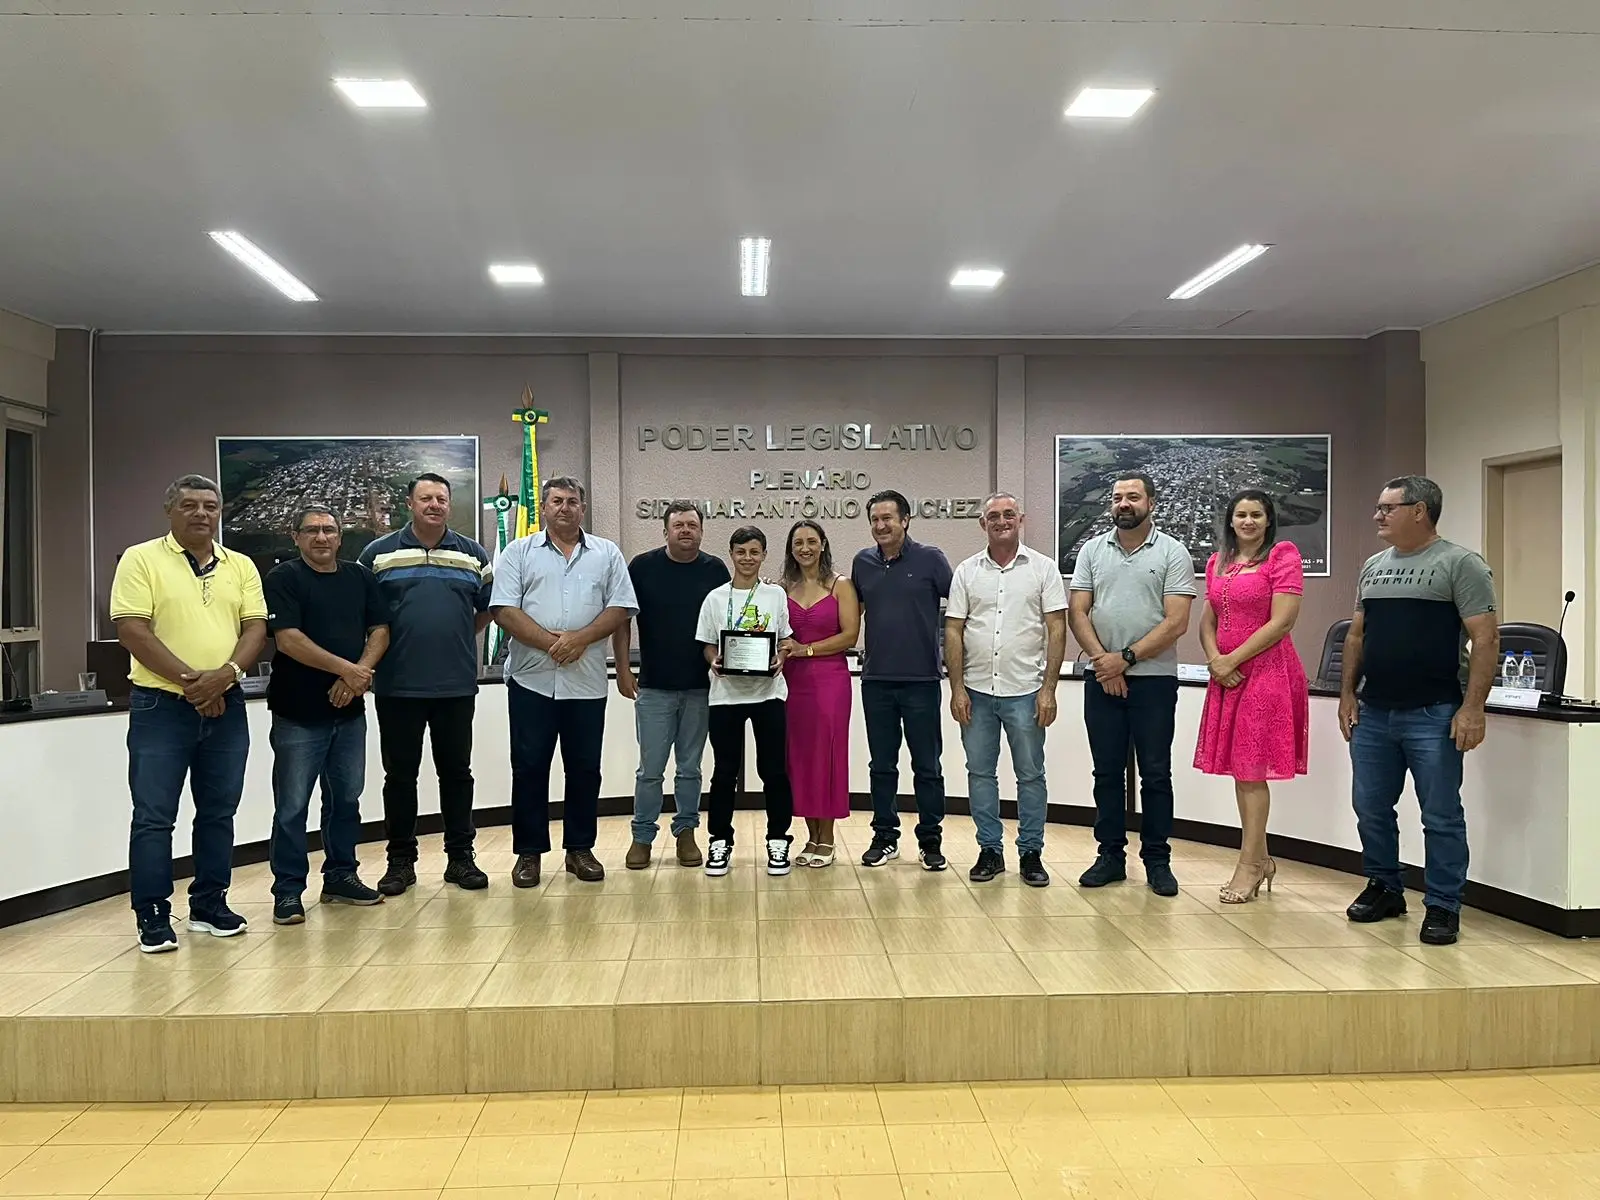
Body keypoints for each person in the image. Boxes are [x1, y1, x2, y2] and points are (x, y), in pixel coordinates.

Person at [111, 474, 267, 952]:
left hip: (227, 704)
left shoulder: (240, 564)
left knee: (219, 812)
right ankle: (153, 913)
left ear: (219, 512)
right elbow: (132, 630)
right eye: (190, 505)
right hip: (161, 706)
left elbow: (255, 628)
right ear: (170, 510)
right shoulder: (141, 558)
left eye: (210, 506)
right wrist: (196, 684)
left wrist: (226, 676)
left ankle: (209, 904)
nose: (201, 513)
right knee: (154, 816)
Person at [1339, 475, 1498, 946]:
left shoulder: (1461, 564)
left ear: (1419, 511)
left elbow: (1486, 638)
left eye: (1387, 508)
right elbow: (1356, 636)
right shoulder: (1373, 566)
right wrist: (1348, 694)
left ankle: (1444, 904)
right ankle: (1385, 887)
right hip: (1374, 712)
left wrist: (1473, 708)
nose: (1378, 516)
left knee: (1441, 815)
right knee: (1370, 808)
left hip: (1435, 712)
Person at [492, 477, 637, 887]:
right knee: (529, 768)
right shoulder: (519, 553)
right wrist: (554, 644)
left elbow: (620, 608)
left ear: (583, 509)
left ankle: (579, 849)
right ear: (543, 507)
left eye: (573, 501)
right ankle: (529, 854)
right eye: (557, 501)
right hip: (531, 681)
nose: (565, 507)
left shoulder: (606, 553)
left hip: (586, 683)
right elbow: (504, 610)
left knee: (585, 769)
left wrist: (580, 639)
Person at [359, 472, 494, 895]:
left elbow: (487, 610)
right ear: (410, 504)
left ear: (449, 505)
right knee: (400, 778)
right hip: (397, 687)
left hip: (456, 686)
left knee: (457, 775)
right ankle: (400, 863)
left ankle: (460, 859)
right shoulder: (377, 554)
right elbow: (364, 614)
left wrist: (455, 634)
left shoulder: (473, 554)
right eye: (425, 498)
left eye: (441, 498)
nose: (434, 505)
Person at [1068, 474, 1196, 896]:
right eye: (1117, 497)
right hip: (1101, 680)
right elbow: (1078, 612)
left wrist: (1123, 659)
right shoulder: (1092, 550)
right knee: (1106, 773)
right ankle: (1110, 857)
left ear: (1151, 503)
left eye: (1133, 497)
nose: (1123, 504)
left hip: (1154, 682)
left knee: (1155, 774)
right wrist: (1105, 665)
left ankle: (1157, 860)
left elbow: (1177, 621)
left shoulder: (1172, 551)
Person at [263, 504, 392, 925]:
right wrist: (348, 671)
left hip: (349, 712)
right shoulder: (283, 578)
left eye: (329, 530)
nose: (321, 537)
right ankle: (288, 891)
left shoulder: (360, 577)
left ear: (340, 537)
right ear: (296, 537)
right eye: (311, 530)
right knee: (292, 807)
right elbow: (288, 640)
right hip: (297, 714)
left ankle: (340, 876)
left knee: (345, 801)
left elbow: (380, 630)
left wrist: (357, 675)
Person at [946, 493, 1067, 887]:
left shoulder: (1043, 569)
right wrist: (957, 688)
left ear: (1021, 519)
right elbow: (954, 630)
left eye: (1009, 514)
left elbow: (1056, 629)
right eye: (994, 516)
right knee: (980, 774)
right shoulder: (967, 571)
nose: (1002, 521)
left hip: (1026, 691)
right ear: (983, 524)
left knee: (1030, 775)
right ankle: (990, 851)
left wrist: (1049, 690)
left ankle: (1031, 852)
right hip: (976, 692)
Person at [1194, 490, 1309, 904]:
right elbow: (1207, 622)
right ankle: (1261, 860)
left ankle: (1249, 865)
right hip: (1228, 676)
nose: (1248, 521)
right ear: (1230, 520)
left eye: (1256, 515)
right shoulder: (1218, 562)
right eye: (1241, 514)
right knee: (1242, 772)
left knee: (1251, 769)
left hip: (1266, 674)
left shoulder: (1282, 556)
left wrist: (1232, 660)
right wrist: (1215, 660)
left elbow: (1282, 622)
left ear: (1268, 519)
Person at [614, 501, 728, 870]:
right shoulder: (642, 567)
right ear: (665, 531)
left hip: (700, 688)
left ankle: (686, 832)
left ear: (701, 531)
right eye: (678, 525)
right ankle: (642, 837)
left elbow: (728, 621)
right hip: (654, 688)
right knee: (650, 770)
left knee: (690, 769)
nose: (685, 531)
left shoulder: (715, 570)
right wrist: (623, 668)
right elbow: (621, 620)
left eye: (692, 525)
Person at [850, 489, 954, 871]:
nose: (881, 526)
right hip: (876, 680)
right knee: (881, 766)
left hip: (922, 681)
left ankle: (930, 841)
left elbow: (960, 608)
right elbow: (854, 611)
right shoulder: (862, 563)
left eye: (888, 518)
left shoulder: (931, 559)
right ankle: (885, 837)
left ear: (905, 520)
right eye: (875, 520)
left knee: (927, 767)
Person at [696, 525, 795, 877]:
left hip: (769, 693)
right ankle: (720, 840)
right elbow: (708, 644)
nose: (747, 558)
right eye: (741, 552)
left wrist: (782, 657)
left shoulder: (775, 595)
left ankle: (778, 839)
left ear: (764, 555)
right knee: (724, 772)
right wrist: (714, 661)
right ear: (731, 554)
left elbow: (785, 640)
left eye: (754, 552)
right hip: (725, 696)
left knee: (774, 771)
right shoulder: (715, 598)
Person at [780, 520, 860, 868]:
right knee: (799, 758)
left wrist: (807, 650)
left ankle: (827, 837)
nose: (805, 548)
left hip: (829, 682)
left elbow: (850, 635)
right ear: (791, 549)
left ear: (823, 544)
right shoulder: (783, 588)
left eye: (812, 541)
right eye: (798, 543)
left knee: (826, 756)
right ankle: (811, 836)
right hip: (792, 682)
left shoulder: (841, 585)